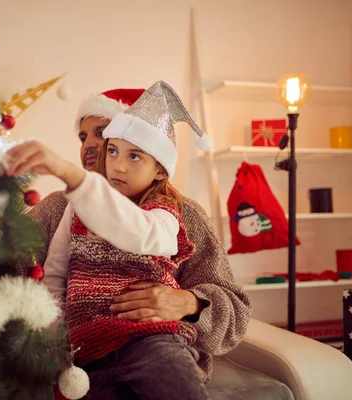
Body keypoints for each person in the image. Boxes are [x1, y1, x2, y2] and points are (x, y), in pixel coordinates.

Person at [26, 84, 251, 386]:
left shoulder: (182, 215)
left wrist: (190, 303)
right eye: (84, 136)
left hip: (155, 348)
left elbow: (236, 313)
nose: (92, 145)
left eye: (102, 132)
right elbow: (21, 270)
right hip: (83, 356)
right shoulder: (59, 208)